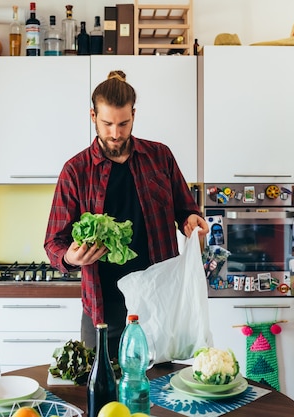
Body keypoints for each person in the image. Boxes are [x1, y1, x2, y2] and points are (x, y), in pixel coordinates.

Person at [44, 70, 208, 359]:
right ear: (92, 115)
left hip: (159, 307)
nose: (116, 133)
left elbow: (186, 209)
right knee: (100, 396)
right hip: (102, 310)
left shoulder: (160, 157)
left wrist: (191, 220)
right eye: (107, 124)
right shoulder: (75, 171)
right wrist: (70, 257)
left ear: (134, 114)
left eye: (124, 123)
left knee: (159, 397)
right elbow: (54, 242)